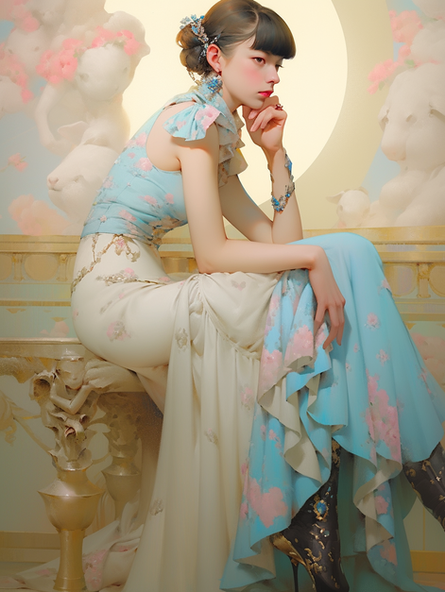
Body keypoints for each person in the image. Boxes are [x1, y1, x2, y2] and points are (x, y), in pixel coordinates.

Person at [68, 1, 445, 591]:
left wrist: (275, 158)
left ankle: (320, 508)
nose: (272, 76)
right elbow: (214, 255)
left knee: (347, 252)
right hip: (112, 294)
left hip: (150, 287)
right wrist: (314, 259)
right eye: (260, 59)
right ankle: (416, 464)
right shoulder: (192, 121)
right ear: (216, 59)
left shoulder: (217, 131)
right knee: (331, 256)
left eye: (278, 65)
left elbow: (279, 246)